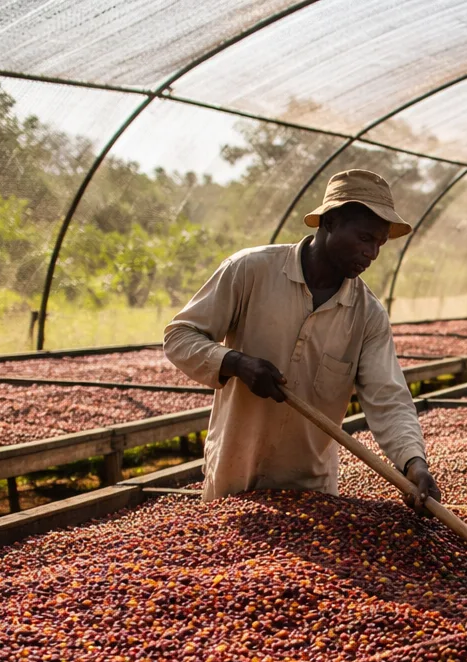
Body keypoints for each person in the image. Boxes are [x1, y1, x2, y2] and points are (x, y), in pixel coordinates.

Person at [164, 168, 440, 510]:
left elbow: (388, 397)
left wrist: (414, 463)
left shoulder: (367, 314)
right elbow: (179, 336)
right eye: (365, 238)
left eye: (379, 244)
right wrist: (235, 363)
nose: (372, 253)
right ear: (330, 223)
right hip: (234, 477)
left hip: (311, 488)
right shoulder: (250, 271)